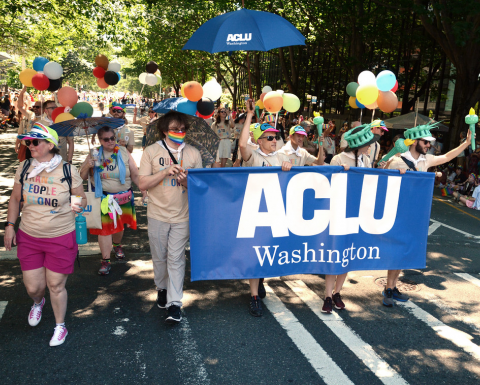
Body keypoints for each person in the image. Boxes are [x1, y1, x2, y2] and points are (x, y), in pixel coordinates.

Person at [4, 123, 86, 346]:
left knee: (56, 285)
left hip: (60, 236)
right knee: (34, 287)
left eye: (35, 141)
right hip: (29, 236)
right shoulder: (24, 167)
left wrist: (76, 205)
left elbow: (81, 197)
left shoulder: (68, 170)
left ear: (50, 144)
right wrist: (10, 225)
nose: (30, 145)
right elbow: (15, 198)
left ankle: (60, 326)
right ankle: (38, 303)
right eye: (28, 142)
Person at [383, 123, 474, 307]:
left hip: (414, 215)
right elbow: (379, 182)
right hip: (397, 215)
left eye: (429, 143)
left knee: (404, 252)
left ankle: (391, 287)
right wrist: (390, 171)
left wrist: (466, 143)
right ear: (415, 141)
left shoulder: (426, 160)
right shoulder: (397, 161)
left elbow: (448, 156)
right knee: (397, 252)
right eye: (425, 142)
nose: (428, 146)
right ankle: (388, 289)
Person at [138, 111, 202, 324]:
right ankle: (162, 287)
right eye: (175, 129)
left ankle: (175, 304)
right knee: (160, 256)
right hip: (157, 214)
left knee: (176, 258)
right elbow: (142, 184)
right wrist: (164, 172)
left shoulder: (193, 153)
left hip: (182, 216)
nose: (179, 132)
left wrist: (186, 182)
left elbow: (200, 188)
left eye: (183, 129)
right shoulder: (151, 151)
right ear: (164, 131)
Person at [240, 99, 293, 317]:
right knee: (255, 253)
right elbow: (242, 145)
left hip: (276, 212)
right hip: (254, 212)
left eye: (276, 137)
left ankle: (260, 279)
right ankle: (253, 296)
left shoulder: (283, 156)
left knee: (268, 251)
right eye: (269, 138)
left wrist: (288, 170)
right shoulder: (253, 155)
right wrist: (250, 115)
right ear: (260, 141)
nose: (274, 140)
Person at [321, 124, 380, 313]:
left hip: (357, 212)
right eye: (368, 142)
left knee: (348, 254)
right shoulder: (338, 158)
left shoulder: (366, 159)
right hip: (338, 211)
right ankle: (328, 296)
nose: (371, 145)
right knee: (335, 253)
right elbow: (328, 183)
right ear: (359, 144)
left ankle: (338, 292)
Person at [80, 126, 142, 275]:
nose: (110, 141)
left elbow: (135, 174)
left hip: (123, 197)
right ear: (100, 140)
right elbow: (80, 177)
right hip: (104, 198)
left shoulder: (122, 151)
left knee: (119, 227)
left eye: (112, 138)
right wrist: (87, 166)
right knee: (104, 230)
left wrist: (144, 190)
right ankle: (105, 260)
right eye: (106, 139)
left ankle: (117, 244)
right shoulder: (94, 153)